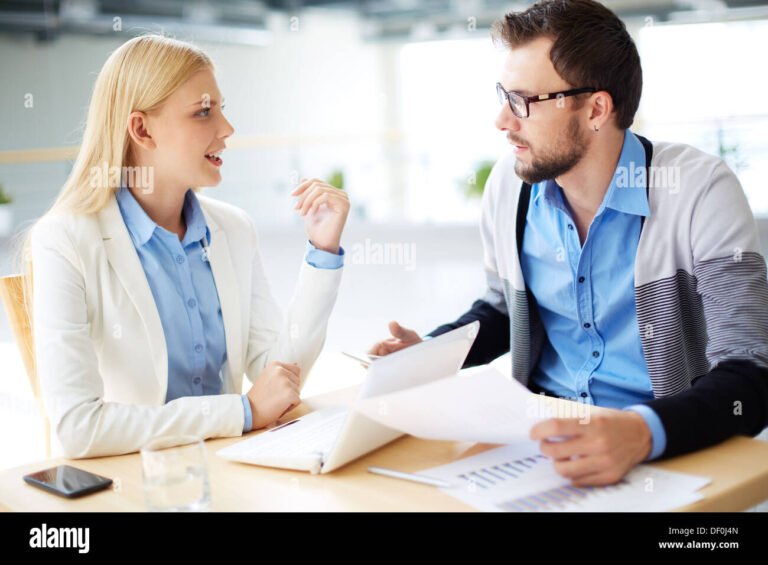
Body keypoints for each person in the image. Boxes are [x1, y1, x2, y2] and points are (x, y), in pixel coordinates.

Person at [370, 0, 768, 486]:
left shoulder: (699, 188)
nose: (502, 120)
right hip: (535, 448)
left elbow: (751, 371)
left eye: (523, 101)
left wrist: (642, 431)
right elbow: (502, 312)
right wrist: (431, 351)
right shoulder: (509, 187)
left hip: (660, 452)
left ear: (596, 108)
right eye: (503, 95)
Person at [24, 34, 350, 458]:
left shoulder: (233, 229)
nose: (227, 129)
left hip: (229, 471)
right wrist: (242, 412)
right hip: (135, 486)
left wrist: (322, 252)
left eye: (221, 109)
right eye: (203, 112)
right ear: (142, 129)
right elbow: (78, 427)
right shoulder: (64, 240)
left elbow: (282, 377)